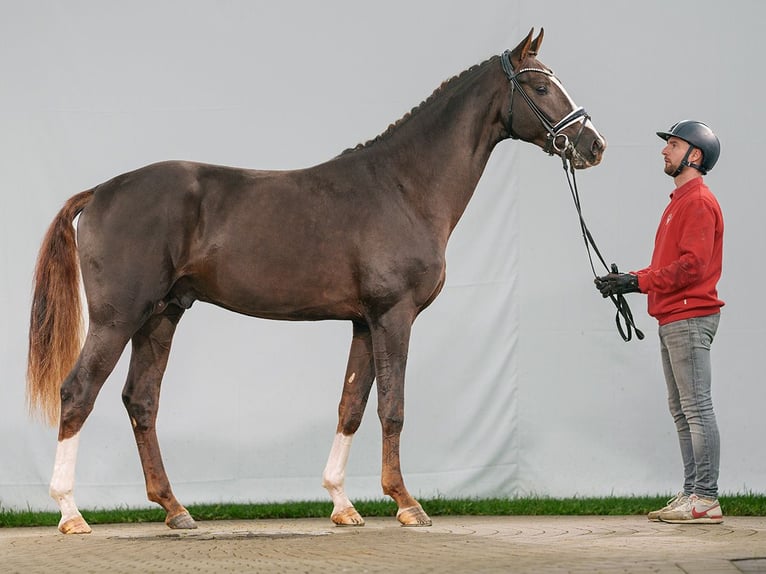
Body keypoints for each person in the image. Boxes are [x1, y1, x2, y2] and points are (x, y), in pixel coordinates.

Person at [594, 120, 724, 524]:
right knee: (683, 410)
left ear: (694, 155)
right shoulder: (679, 201)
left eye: (672, 144)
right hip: (674, 315)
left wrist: (638, 282)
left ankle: (705, 497)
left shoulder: (698, 201)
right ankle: (692, 493)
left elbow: (691, 267)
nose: (664, 151)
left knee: (696, 407)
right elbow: (671, 265)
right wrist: (629, 281)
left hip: (689, 314)